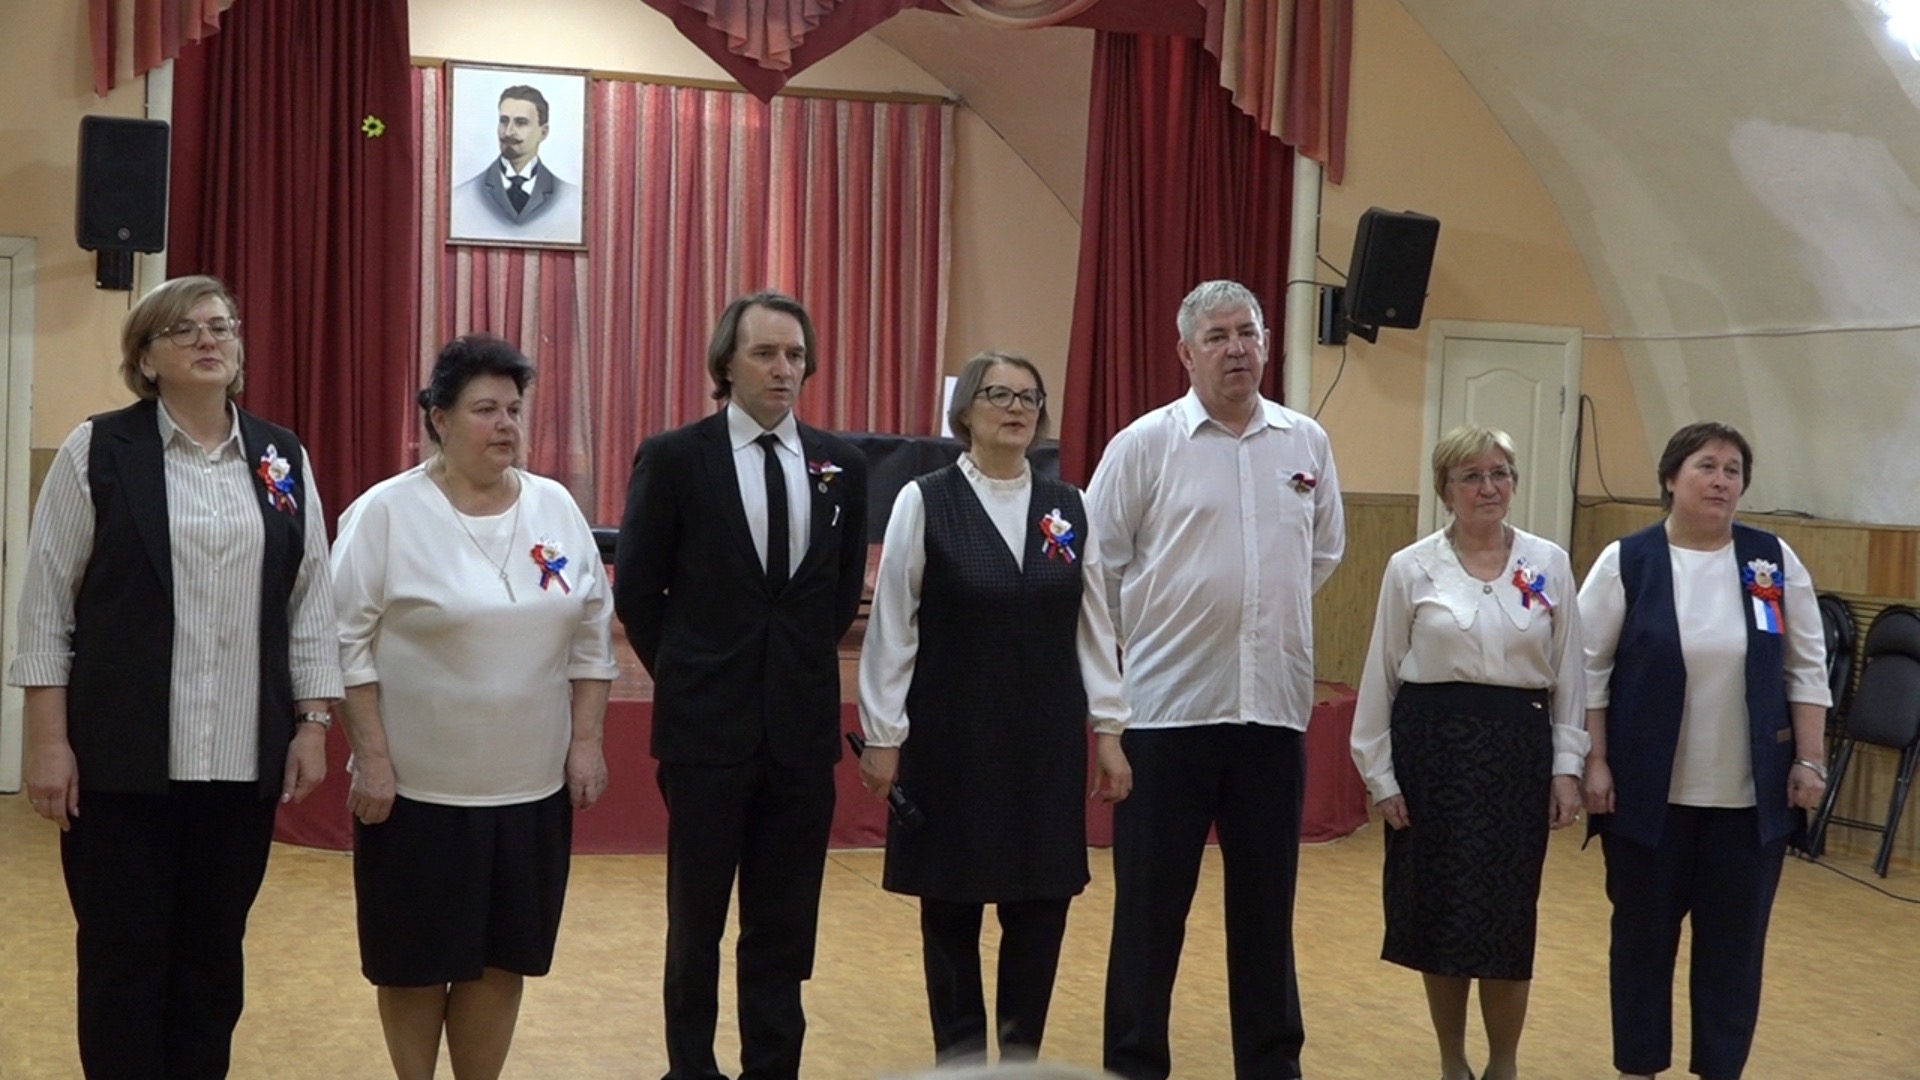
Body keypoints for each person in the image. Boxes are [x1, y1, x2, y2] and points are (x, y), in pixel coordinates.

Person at [7, 274, 342, 1077]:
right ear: (146, 359)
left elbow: (310, 601)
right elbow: (47, 605)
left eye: (221, 326)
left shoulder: (279, 457)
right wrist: (48, 742)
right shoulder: (100, 451)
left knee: (211, 963)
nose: (208, 340)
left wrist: (312, 723)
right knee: (122, 964)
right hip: (122, 764)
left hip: (239, 763)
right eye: (184, 329)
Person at [329, 334, 617, 1080]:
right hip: (415, 795)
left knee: (501, 958)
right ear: (439, 418)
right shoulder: (386, 513)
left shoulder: (555, 506)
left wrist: (586, 743)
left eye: (514, 409)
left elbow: (592, 636)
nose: (506, 425)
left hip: (529, 792)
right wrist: (373, 758)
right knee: (414, 963)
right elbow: (344, 644)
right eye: (485, 409)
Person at [1086, 279, 1345, 1080]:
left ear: (1266, 343)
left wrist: (1254, 614)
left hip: (1272, 714)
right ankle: (1134, 1064)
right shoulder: (1144, 444)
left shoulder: (1306, 443)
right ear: (1185, 352)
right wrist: (1136, 658)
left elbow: (1322, 553)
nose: (1237, 348)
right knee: (1150, 913)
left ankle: (1271, 1065)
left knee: (1266, 912)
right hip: (1167, 714)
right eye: (1218, 336)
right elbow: (1096, 568)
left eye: (1248, 333)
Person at [614, 290, 870, 1080]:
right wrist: (692, 676)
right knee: (697, 924)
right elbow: (639, 592)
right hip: (705, 735)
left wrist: (787, 669)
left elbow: (837, 599)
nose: (783, 368)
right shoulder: (675, 458)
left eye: (795, 355)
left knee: (784, 928)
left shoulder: (841, 467)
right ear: (727, 363)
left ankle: (773, 1067)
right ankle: (690, 1067)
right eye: (765, 353)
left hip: (800, 736)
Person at [857, 351, 1133, 1065]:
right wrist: (883, 733)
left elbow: (1093, 624)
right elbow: (893, 625)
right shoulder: (926, 499)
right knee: (951, 909)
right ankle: (960, 1063)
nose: (1016, 408)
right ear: (966, 412)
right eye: (999, 395)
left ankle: (1018, 1063)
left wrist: (1109, 728)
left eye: (1029, 397)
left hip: (1045, 742)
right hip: (951, 739)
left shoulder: (1068, 506)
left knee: (1040, 908)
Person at [1577, 421, 1829, 1080]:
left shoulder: (1768, 561)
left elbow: (1805, 667)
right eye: (1707, 466)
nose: (1721, 481)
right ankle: (1639, 1067)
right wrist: (1594, 762)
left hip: (1747, 805)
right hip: (1647, 800)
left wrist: (1809, 759)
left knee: (1734, 952)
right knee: (1642, 943)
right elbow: (1586, 671)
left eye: (1733, 471)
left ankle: (1720, 1068)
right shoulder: (1628, 561)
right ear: (1671, 478)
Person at [1349, 425, 1587, 1080]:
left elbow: (1571, 675)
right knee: (1442, 915)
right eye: (1472, 476)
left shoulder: (1549, 562)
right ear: (1445, 489)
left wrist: (1567, 768)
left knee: (1508, 917)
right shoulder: (1411, 567)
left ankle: (1503, 1063)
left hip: (1517, 756)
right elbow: (1381, 674)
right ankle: (1452, 1061)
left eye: (1500, 473)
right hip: (1433, 757)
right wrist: (1380, 774)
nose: (1489, 487)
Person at [450, 84, 583, 244]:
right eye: (504, 121)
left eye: (521, 123)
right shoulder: (462, 198)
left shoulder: (571, 200)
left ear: (543, 132)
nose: (508, 132)